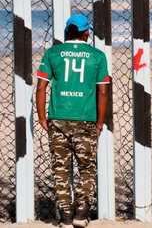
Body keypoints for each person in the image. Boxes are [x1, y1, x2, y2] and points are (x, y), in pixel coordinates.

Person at [36, 14, 110, 228]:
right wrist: (99, 123)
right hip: (86, 120)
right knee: (87, 168)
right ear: (86, 32)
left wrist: (42, 117)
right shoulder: (97, 56)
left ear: (68, 32)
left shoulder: (53, 53)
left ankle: (65, 217)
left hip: (58, 118)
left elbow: (41, 87)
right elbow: (103, 91)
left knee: (61, 169)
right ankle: (81, 213)